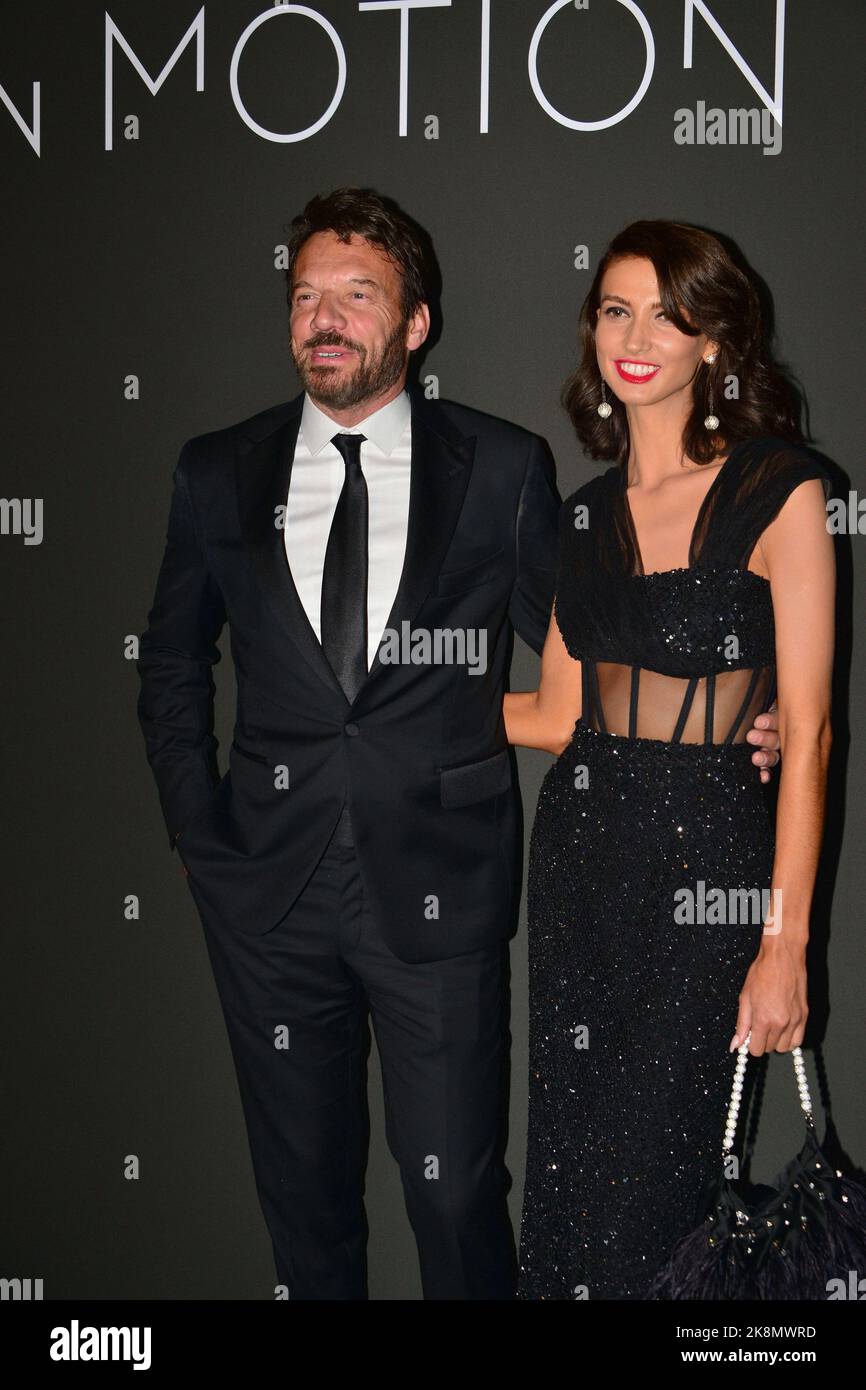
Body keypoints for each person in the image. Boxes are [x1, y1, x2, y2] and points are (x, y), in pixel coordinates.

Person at [137, 190, 782, 1300]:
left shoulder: (497, 465)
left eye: (355, 295)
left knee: (452, 1195)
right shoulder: (215, 469)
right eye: (304, 296)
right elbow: (170, 664)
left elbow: (588, 643)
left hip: (437, 885)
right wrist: (198, 834)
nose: (322, 318)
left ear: (414, 323)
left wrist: (730, 707)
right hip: (266, 895)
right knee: (303, 1197)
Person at [505, 220, 834, 1300]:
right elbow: (555, 717)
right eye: (614, 308)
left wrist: (782, 947)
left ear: (713, 340)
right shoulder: (582, 517)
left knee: (655, 1194)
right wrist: (396, 701)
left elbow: (812, 731)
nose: (635, 334)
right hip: (581, 873)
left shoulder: (778, 489)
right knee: (567, 1189)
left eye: (665, 311)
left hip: (706, 875)